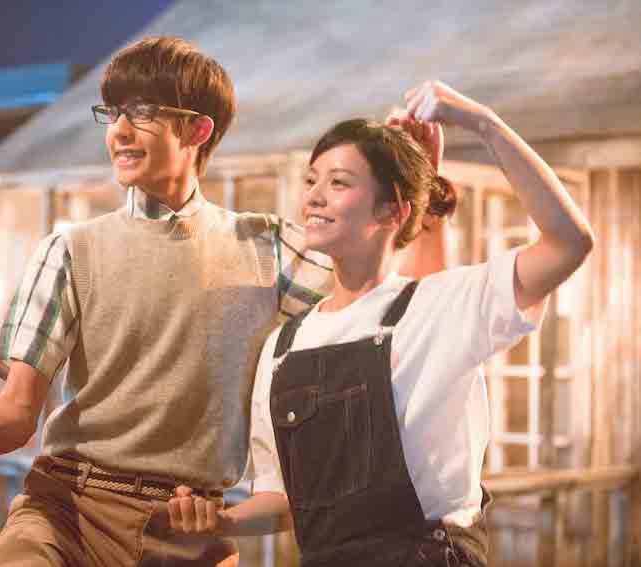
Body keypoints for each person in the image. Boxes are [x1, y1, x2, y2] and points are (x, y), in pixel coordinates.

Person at [0, 36, 444, 567]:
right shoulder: (68, 251)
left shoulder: (271, 249)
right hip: (65, 513)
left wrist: (427, 194)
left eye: (140, 113)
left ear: (197, 130)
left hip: (193, 529)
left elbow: (403, 321)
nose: (119, 132)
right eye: (112, 114)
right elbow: (16, 414)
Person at [167, 81, 594, 567]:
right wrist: (220, 521)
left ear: (393, 209)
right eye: (311, 180)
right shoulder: (284, 347)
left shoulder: (438, 306)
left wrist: (482, 122)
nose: (314, 197)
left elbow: (569, 243)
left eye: (339, 183)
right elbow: (283, 498)